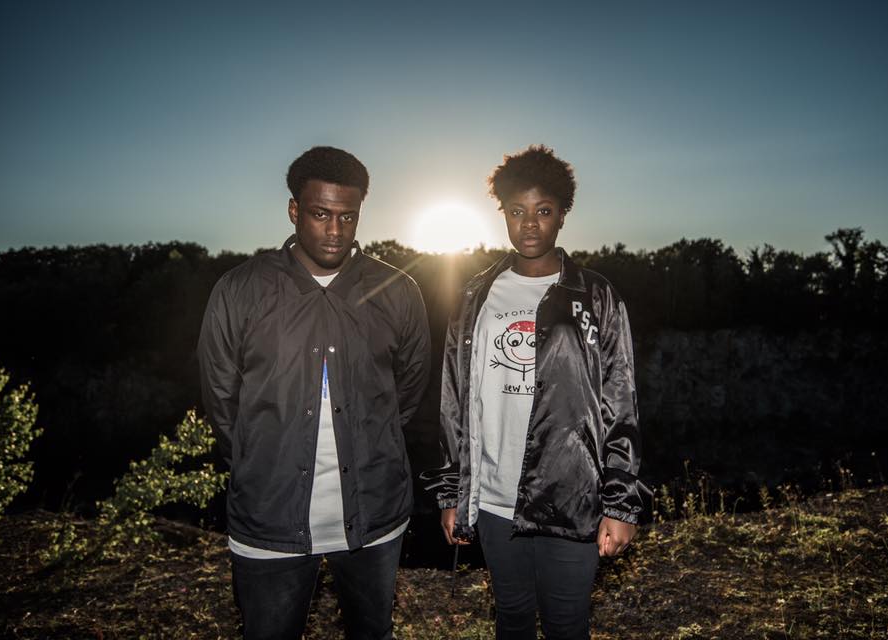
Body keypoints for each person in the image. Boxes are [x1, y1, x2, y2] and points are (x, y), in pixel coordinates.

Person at [198, 146, 430, 640]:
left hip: (375, 515)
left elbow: (408, 390)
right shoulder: (239, 290)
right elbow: (221, 398)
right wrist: (259, 463)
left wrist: (372, 442)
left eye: (348, 216)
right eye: (321, 214)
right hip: (268, 517)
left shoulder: (397, 291)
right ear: (293, 210)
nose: (335, 230)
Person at [423, 145, 648, 640]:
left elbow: (620, 400)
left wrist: (620, 504)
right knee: (512, 619)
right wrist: (452, 492)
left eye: (543, 211)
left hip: (571, 497)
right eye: (517, 211)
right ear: (503, 213)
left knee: (568, 626)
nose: (529, 224)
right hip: (494, 498)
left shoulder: (595, 295)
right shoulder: (475, 295)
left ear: (563, 215)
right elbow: (454, 399)